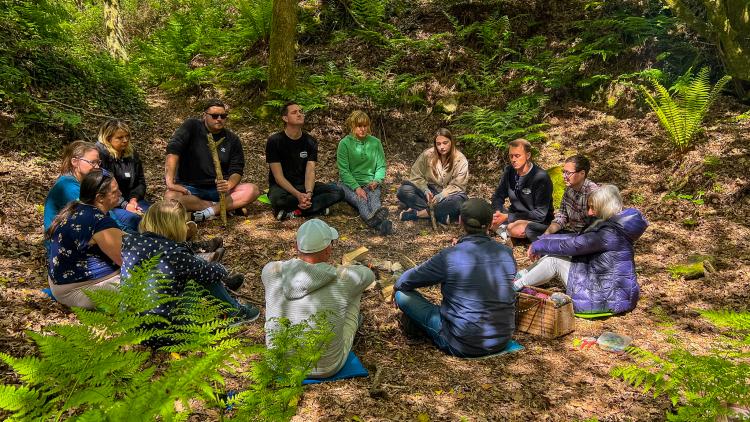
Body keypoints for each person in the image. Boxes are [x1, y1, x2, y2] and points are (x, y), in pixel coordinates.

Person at [393, 198, 517, 357]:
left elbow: (407, 280)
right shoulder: (506, 253)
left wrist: (397, 285)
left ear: (460, 221)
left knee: (402, 295)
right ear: (490, 224)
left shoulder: (450, 256)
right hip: (501, 340)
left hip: (461, 343)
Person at [121, 200, 260, 331]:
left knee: (195, 271)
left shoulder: (131, 243)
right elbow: (208, 272)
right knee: (202, 276)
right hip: (168, 330)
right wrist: (222, 270)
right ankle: (234, 312)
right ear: (175, 227)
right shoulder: (174, 253)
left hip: (132, 325)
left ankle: (228, 300)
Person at [262, 219, 375, 378]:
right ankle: (348, 325)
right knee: (355, 290)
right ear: (328, 249)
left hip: (277, 363)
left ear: (296, 246)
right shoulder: (343, 278)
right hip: (326, 367)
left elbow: (284, 266)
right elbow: (368, 275)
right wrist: (341, 268)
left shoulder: (270, 271)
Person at [514, 184, 648, 315]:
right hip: (608, 290)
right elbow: (578, 238)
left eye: (593, 208)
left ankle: (513, 288)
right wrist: (543, 241)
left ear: (605, 207)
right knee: (553, 255)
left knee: (553, 260)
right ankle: (520, 276)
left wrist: (539, 245)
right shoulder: (615, 227)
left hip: (603, 297)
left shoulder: (609, 234)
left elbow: (572, 246)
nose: (589, 212)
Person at [165, 99, 260, 222]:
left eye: (223, 116)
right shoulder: (192, 127)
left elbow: (237, 169)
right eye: (214, 116)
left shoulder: (232, 139)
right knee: (170, 198)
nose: (219, 119)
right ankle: (223, 207)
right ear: (204, 116)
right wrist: (169, 182)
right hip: (189, 188)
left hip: (219, 189)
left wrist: (228, 185)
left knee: (252, 190)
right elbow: (173, 150)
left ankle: (208, 212)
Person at [46, 170, 123, 309]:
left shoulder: (76, 209)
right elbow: (125, 260)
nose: (120, 194)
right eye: (115, 191)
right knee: (151, 283)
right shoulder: (99, 222)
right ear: (100, 198)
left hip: (60, 285)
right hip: (79, 291)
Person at [266, 102, 344, 220]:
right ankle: (316, 208)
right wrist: (298, 195)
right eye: (294, 112)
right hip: (282, 188)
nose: (299, 114)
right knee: (278, 199)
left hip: (303, 186)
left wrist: (308, 193)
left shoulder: (310, 141)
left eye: (300, 111)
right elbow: (278, 177)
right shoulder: (274, 141)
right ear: (285, 118)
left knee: (337, 191)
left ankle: (295, 212)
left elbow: (310, 171)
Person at [336, 110, 392, 235]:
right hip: (348, 184)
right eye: (359, 126)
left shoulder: (375, 142)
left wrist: (376, 180)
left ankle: (377, 223)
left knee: (374, 199)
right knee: (361, 199)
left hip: (370, 182)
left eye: (365, 126)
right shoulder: (344, 144)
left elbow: (381, 166)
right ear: (352, 126)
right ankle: (379, 224)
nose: (363, 129)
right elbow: (344, 171)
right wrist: (356, 188)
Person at [397, 128, 469, 225]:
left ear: (451, 142)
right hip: (430, 193)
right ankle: (441, 216)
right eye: (438, 144)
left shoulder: (460, 159)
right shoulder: (427, 154)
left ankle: (417, 214)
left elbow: (458, 186)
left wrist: (442, 195)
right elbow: (416, 175)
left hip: (450, 195)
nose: (442, 147)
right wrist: (425, 190)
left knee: (459, 202)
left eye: (445, 143)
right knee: (403, 190)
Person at [490, 138, 553, 242]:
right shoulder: (509, 171)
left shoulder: (541, 178)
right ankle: (503, 229)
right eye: (511, 156)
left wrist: (506, 217)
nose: (513, 159)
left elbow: (540, 214)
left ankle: (505, 230)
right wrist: (497, 214)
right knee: (481, 211)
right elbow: (498, 195)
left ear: (528, 156)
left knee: (515, 229)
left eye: (517, 156)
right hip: (513, 215)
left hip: (535, 220)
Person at [96, 119, 150, 232]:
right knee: (135, 220)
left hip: (133, 199)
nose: (125, 140)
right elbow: (105, 187)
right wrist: (125, 205)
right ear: (108, 139)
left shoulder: (131, 153)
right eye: (120, 138)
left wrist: (133, 200)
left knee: (154, 214)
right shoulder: (101, 155)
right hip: (112, 203)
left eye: (127, 136)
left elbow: (140, 181)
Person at [43, 141, 101, 230]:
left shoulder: (83, 182)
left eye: (98, 162)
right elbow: (93, 215)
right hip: (61, 240)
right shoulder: (68, 187)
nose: (97, 167)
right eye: (92, 162)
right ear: (75, 162)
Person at [544, 154, 598, 235]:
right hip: (572, 232)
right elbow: (562, 216)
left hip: (588, 236)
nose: (564, 176)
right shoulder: (569, 189)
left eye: (568, 173)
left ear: (582, 173)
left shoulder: (593, 192)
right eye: (563, 172)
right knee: (532, 229)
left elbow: (598, 223)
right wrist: (547, 234)